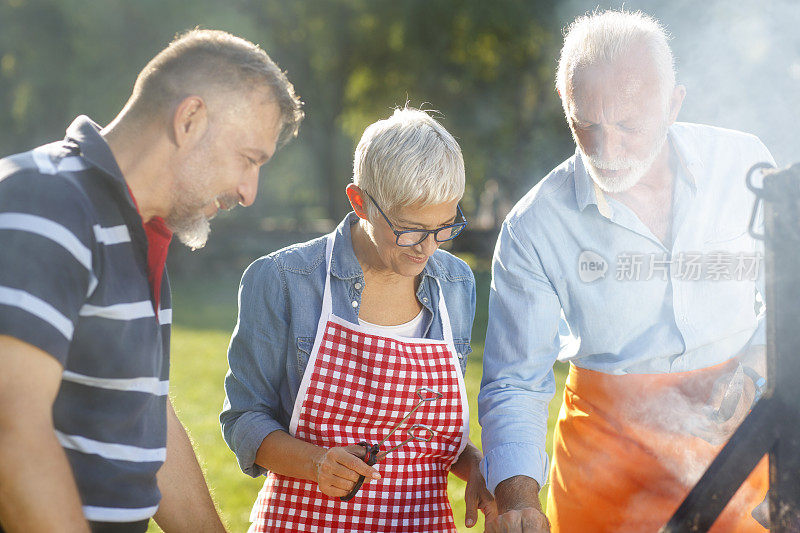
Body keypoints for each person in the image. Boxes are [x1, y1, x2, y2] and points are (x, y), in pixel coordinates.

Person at [478, 10, 774, 533]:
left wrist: (756, 363)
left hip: (741, 447)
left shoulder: (744, 165)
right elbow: (516, 383)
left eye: (629, 126)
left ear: (673, 104)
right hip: (605, 471)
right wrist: (518, 497)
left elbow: (790, 292)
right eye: (585, 126)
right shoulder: (533, 227)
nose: (606, 152)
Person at [0, 29, 303, 533]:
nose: (250, 192)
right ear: (190, 120)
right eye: (250, 160)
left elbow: (146, 418)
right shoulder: (44, 202)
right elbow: (11, 428)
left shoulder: (141, 235)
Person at [221, 107, 496, 532]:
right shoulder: (284, 280)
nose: (426, 250)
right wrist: (316, 463)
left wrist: (475, 466)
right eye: (409, 229)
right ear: (359, 202)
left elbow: (424, 431)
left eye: (443, 227)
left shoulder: (455, 283)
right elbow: (243, 418)